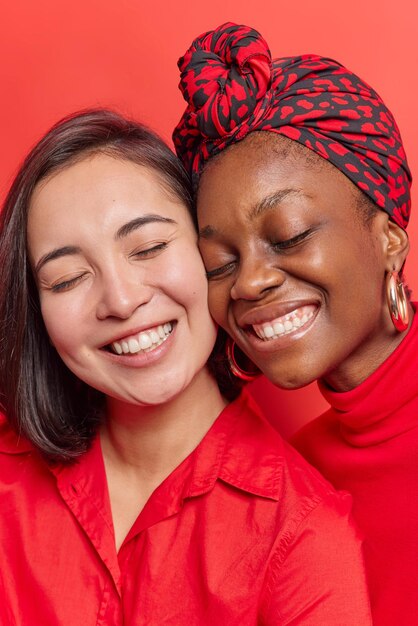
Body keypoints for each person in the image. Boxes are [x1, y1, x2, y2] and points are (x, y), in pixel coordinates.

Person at [0, 109, 371, 625]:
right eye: (66, 279)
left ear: (210, 253)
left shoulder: (303, 533)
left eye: (149, 247)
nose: (122, 301)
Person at [173, 21, 417, 626]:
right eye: (219, 263)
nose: (249, 282)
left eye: (289, 235)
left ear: (387, 237)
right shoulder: (296, 480)